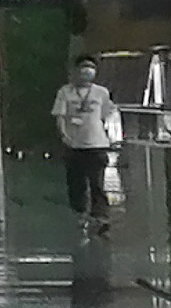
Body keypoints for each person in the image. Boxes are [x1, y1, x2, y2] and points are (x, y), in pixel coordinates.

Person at [51, 52, 121, 226]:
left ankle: (100, 215)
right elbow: (60, 117)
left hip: (97, 144)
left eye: (91, 67)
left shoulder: (101, 93)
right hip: (74, 145)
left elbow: (107, 115)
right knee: (76, 184)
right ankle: (79, 213)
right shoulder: (65, 92)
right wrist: (64, 135)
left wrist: (112, 137)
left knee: (97, 182)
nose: (87, 71)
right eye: (83, 67)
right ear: (75, 70)